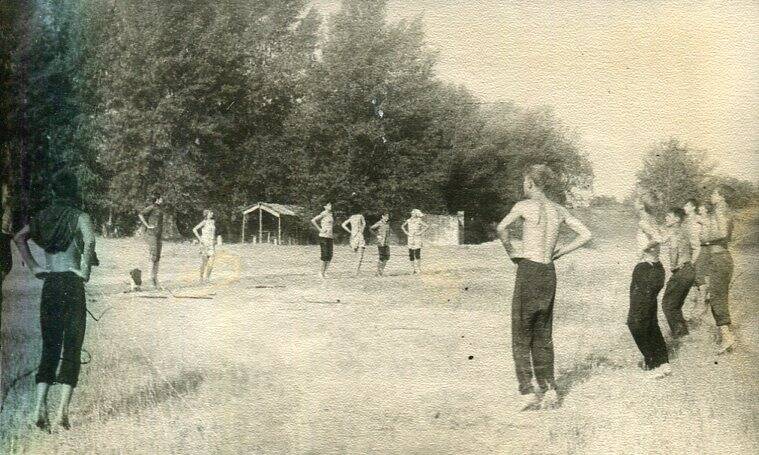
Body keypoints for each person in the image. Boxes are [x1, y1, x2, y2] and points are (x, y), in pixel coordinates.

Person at [496, 164, 592, 411]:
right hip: (549, 271)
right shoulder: (558, 210)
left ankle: (527, 390)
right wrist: (561, 251)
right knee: (543, 333)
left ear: (530, 182)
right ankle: (549, 389)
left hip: (529, 269)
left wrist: (511, 253)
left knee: (521, 332)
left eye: (524, 182)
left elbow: (501, 228)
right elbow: (585, 234)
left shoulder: (524, 206)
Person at [13, 169, 97, 431]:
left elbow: (18, 237)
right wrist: (84, 271)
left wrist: (35, 266)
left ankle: (38, 408)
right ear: (74, 191)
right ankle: (61, 413)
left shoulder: (42, 218)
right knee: (72, 348)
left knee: (50, 347)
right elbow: (91, 240)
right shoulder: (81, 217)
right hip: (72, 284)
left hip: (51, 284)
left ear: (53, 191)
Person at [628, 196, 671, 380]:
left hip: (646, 270)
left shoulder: (644, 221)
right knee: (650, 318)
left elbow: (660, 238)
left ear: (641, 204)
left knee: (635, 321)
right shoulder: (655, 221)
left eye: (636, 199)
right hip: (657, 270)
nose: (634, 201)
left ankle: (653, 362)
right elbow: (664, 235)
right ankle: (663, 361)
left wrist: (645, 247)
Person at [703, 185, 737, 354]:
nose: (711, 195)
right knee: (718, 297)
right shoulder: (727, 211)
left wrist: (706, 239)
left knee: (716, 298)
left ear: (721, 196)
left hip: (719, 259)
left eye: (713, 192)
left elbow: (723, 233)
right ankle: (726, 335)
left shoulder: (719, 209)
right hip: (722, 258)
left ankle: (727, 337)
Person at [661, 206, 699, 340]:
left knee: (668, 305)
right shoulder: (685, 230)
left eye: (669, 216)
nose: (666, 217)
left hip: (681, 272)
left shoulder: (674, 232)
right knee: (676, 305)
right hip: (689, 270)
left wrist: (673, 266)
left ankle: (680, 337)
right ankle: (684, 336)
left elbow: (673, 250)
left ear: (677, 219)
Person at [689, 202, 713, 320]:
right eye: (699, 210)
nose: (700, 211)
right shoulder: (704, 220)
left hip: (704, 248)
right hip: (703, 248)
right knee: (701, 276)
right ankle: (702, 301)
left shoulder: (706, 220)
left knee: (699, 276)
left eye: (702, 209)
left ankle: (702, 304)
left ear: (707, 211)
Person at [138, 195, 164, 288]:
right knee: (153, 255)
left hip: (159, 235)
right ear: (157, 200)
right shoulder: (151, 207)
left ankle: (155, 278)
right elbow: (140, 214)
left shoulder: (160, 209)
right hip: (151, 234)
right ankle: (150, 279)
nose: (162, 200)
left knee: (157, 256)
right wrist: (147, 225)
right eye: (161, 198)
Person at [401, 209, 429, 274]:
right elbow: (402, 226)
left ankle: (418, 269)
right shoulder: (408, 220)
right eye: (412, 213)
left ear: (416, 214)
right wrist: (406, 233)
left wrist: (420, 232)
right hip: (410, 238)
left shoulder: (419, 220)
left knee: (417, 254)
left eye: (413, 213)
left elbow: (427, 226)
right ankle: (413, 269)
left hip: (417, 238)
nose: (412, 214)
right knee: (411, 254)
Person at [310, 202, 334, 278]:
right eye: (329, 205)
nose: (330, 206)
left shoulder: (331, 214)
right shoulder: (324, 213)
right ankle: (320, 272)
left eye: (331, 205)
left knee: (330, 256)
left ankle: (325, 272)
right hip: (323, 236)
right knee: (325, 255)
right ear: (325, 206)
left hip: (330, 237)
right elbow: (313, 220)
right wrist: (320, 229)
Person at [193, 209, 216, 282]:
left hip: (211, 244)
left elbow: (213, 233)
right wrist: (200, 239)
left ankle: (207, 278)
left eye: (211, 213)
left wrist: (214, 240)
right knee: (205, 262)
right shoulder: (204, 222)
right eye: (210, 213)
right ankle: (201, 278)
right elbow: (194, 229)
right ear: (206, 215)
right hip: (204, 244)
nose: (211, 214)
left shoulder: (213, 222)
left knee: (212, 261)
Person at [341, 209, 367, 276]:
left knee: (356, 255)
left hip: (353, 237)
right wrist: (361, 231)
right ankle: (356, 272)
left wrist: (350, 232)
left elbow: (343, 225)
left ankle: (355, 272)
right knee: (360, 255)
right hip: (359, 236)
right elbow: (364, 224)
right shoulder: (360, 216)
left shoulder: (352, 217)